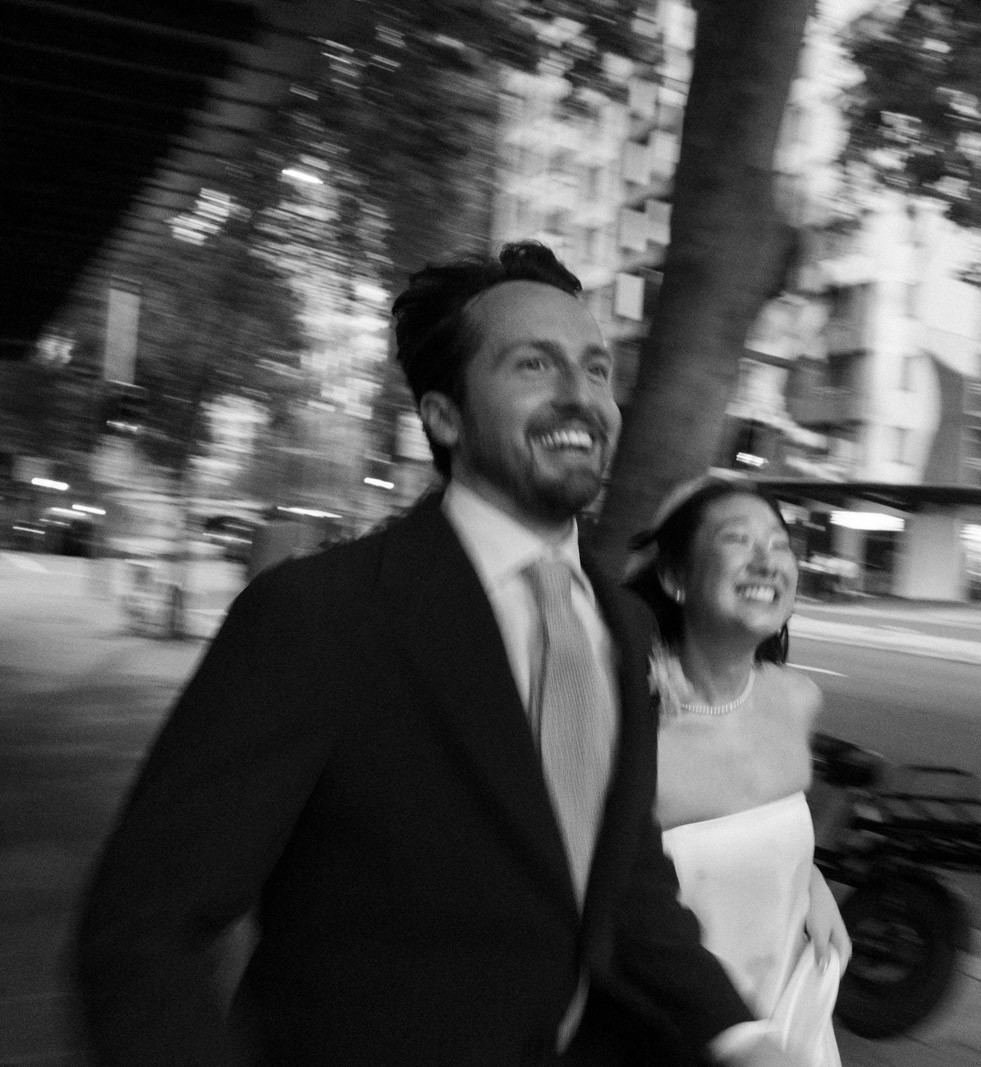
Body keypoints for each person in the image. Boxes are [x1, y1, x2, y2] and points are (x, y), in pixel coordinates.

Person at [73, 242, 804, 1067]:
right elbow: (145, 932)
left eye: (597, 369)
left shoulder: (625, 627)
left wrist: (739, 1033)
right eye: (534, 364)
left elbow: (621, 882)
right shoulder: (319, 616)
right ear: (443, 414)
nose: (581, 396)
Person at [626, 476, 851, 1067]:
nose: (766, 560)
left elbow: (768, 832)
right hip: (670, 1034)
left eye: (780, 544)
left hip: (786, 1031)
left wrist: (810, 881)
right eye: (738, 540)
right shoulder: (630, 718)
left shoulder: (797, 699)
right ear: (676, 578)